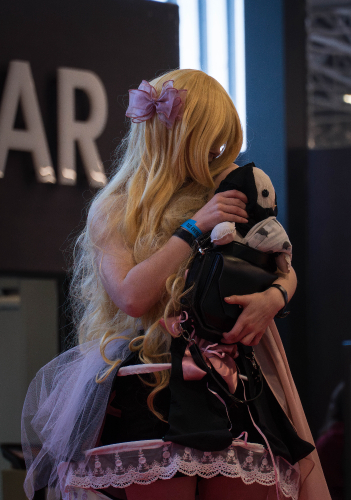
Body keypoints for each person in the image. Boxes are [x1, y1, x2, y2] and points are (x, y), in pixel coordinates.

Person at [22, 69, 331, 500]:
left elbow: (281, 263)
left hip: (232, 381)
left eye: (223, 140)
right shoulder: (116, 207)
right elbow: (132, 296)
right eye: (210, 138)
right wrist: (194, 226)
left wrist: (274, 297)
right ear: (181, 134)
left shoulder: (232, 186)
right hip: (151, 385)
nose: (218, 151)